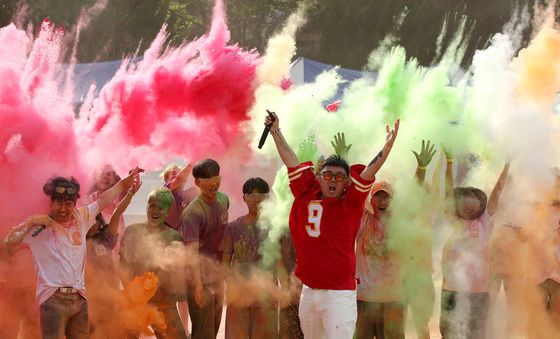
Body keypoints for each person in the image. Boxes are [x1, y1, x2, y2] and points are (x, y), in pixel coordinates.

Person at [264, 111, 399, 339]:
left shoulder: (353, 201)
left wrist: (386, 149)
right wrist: (275, 130)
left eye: (339, 176)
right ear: (319, 177)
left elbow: (370, 170)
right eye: (328, 175)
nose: (333, 180)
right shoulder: (306, 189)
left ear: (347, 182)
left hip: (339, 294)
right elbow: (291, 159)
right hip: (309, 290)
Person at [4, 168, 141, 339]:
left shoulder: (80, 217)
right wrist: (32, 221)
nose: (64, 208)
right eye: (59, 203)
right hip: (52, 300)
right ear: (51, 203)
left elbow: (103, 200)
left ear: (74, 204)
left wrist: (123, 185)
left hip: (79, 299)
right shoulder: (37, 227)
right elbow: (9, 241)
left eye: (69, 203)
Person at [439, 149, 510, 339]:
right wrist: (450, 162)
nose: (470, 205)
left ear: (481, 206)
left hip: (478, 292)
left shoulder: (484, 222)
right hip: (451, 290)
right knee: (448, 333)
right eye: (465, 202)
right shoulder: (453, 219)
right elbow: (447, 192)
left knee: (476, 334)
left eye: (475, 203)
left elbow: (497, 192)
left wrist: (507, 166)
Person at [119, 187, 188, 339]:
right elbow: (122, 265)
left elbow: (168, 269)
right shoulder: (132, 231)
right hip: (134, 302)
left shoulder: (173, 236)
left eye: (161, 208)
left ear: (168, 212)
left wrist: (147, 292)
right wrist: (131, 291)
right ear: (147, 207)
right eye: (153, 206)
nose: (155, 211)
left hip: (163, 302)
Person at [221, 177, 276, 338]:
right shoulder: (234, 227)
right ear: (244, 198)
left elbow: (281, 263)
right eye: (251, 195)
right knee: (238, 333)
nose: (256, 200)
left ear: (267, 198)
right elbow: (225, 262)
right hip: (239, 292)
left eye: (261, 195)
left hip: (266, 292)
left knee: (264, 334)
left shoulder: (275, 228)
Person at [86, 174, 142, 337]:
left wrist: (130, 193)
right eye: (88, 222)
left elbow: (117, 213)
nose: (93, 225)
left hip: (109, 293)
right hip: (86, 297)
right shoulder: (76, 243)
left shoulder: (106, 240)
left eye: (95, 221)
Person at [182, 159, 229, 339]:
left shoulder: (224, 199)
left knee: (215, 326)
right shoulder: (193, 213)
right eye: (207, 180)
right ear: (197, 183)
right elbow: (191, 253)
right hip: (198, 278)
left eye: (216, 178)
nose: (213, 183)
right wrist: (198, 285)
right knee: (203, 331)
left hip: (217, 274)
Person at [355, 182, 406, 339]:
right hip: (364, 297)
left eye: (387, 198)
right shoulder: (362, 220)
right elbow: (354, 194)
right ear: (371, 201)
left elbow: (417, 196)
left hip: (393, 299)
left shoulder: (402, 225)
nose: (382, 202)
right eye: (378, 197)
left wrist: (422, 169)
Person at [161, 163, 197, 337]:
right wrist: (193, 160)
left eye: (176, 174)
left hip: (182, 248)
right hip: (162, 248)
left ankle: (184, 331)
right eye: (170, 175)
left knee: (182, 293)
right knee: (164, 291)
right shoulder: (163, 192)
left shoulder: (188, 194)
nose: (174, 177)